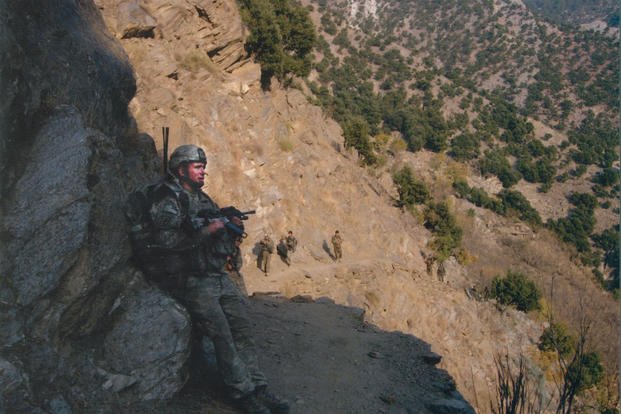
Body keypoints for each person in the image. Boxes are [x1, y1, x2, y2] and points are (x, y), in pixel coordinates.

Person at [145, 145, 288, 414]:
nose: (203, 172)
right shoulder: (167, 199)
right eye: (197, 167)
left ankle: (258, 386)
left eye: (203, 167)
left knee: (242, 328)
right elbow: (166, 243)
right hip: (191, 279)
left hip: (216, 276)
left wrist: (228, 224)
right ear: (180, 169)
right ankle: (242, 393)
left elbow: (218, 232)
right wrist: (208, 230)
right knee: (222, 334)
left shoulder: (203, 199)